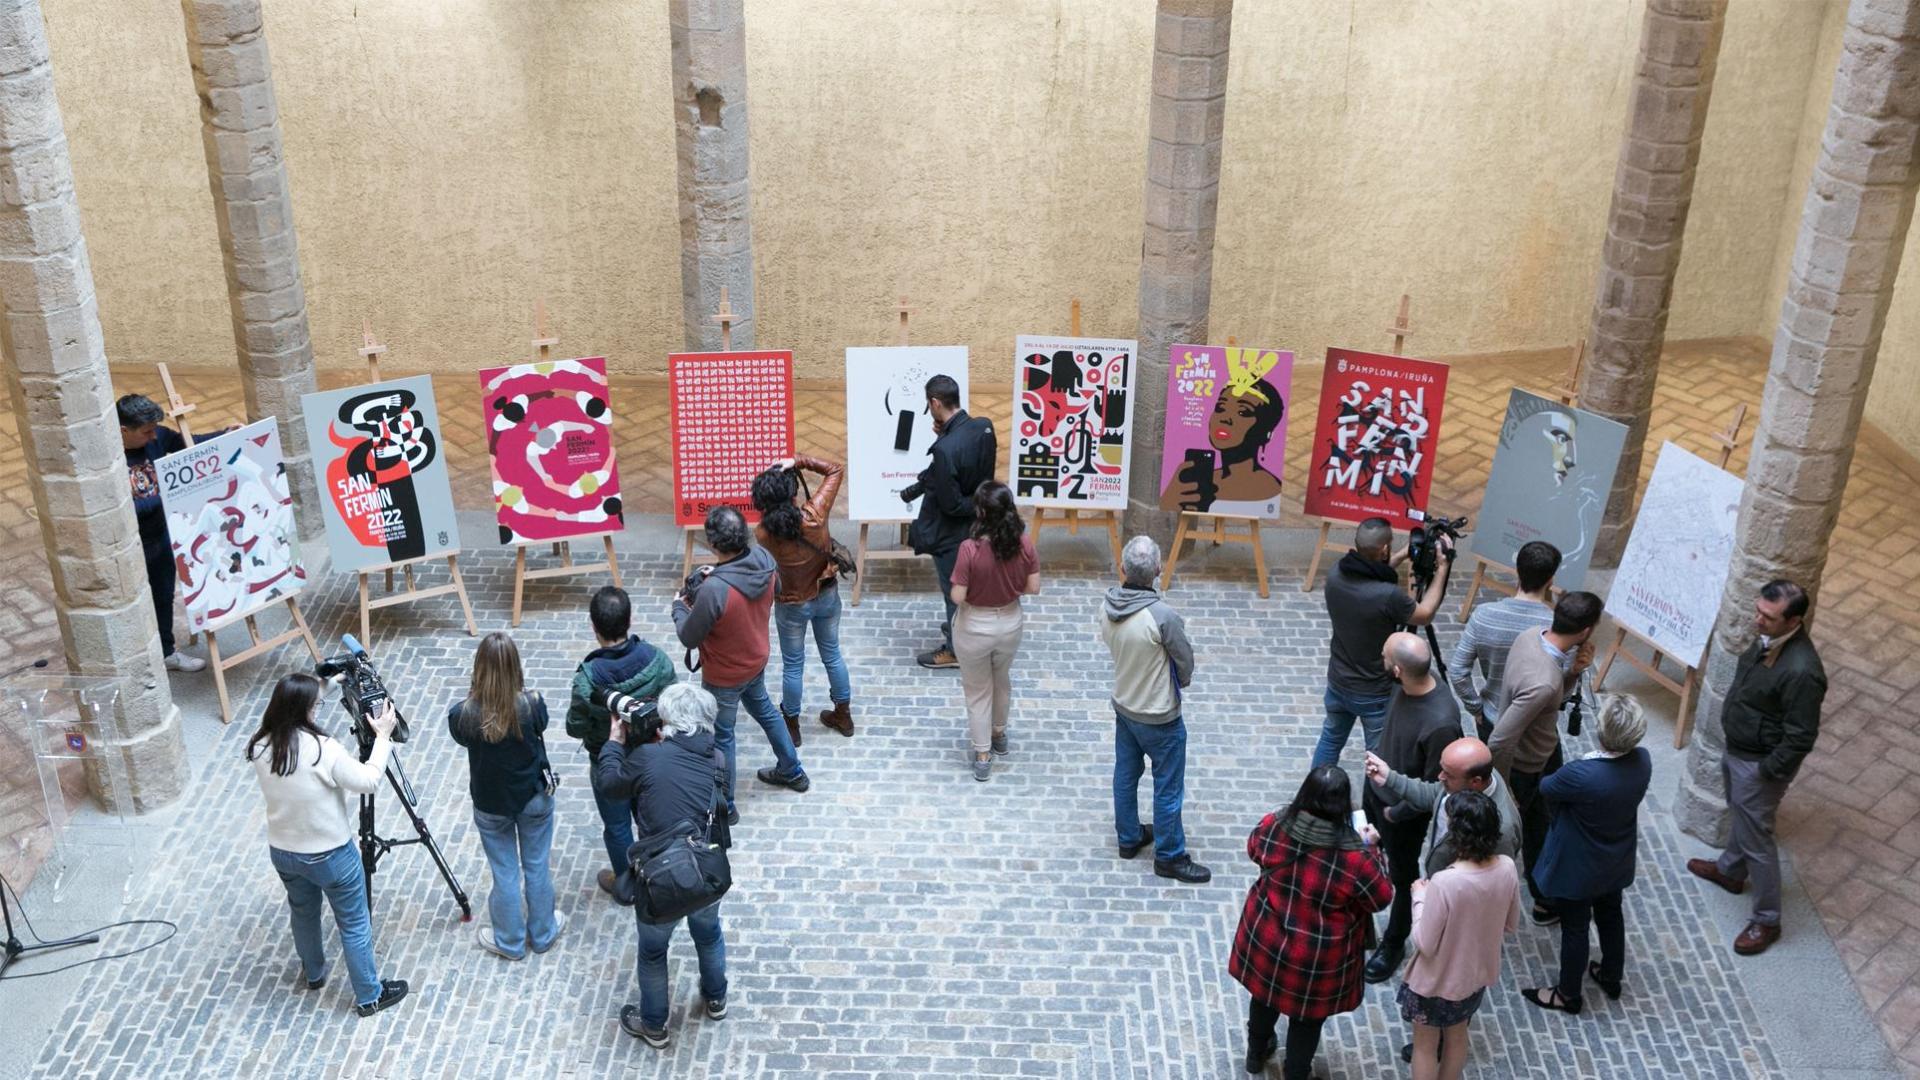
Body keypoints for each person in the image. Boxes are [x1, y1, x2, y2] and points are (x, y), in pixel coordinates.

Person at [246, 672, 408, 1017]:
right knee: (353, 923)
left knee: (303, 912)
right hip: (331, 855)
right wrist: (382, 736)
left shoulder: (260, 745)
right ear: (303, 710)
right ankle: (369, 995)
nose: (317, 710)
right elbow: (368, 780)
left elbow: (301, 701)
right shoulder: (323, 750)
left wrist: (328, 683)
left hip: (285, 851)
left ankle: (314, 972)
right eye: (315, 706)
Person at [1687, 579, 1826, 957]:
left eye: (1767, 616)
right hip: (1742, 750)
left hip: (1758, 764)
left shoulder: (1803, 671)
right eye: (1758, 611)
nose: (1757, 620)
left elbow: (1800, 736)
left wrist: (1766, 772)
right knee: (1743, 818)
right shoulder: (1769, 638)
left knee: (1758, 840)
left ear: (1793, 620)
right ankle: (1731, 871)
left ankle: (1767, 919)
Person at [1230, 766, 1393, 1079]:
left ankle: (1255, 1053)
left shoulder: (1275, 824)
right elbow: (1380, 898)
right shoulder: (1355, 856)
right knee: (1307, 1020)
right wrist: (1373, 846)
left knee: (1263, 998)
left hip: (1267, 936)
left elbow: (1254, 849)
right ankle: (1295, 1072)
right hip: (1318, 955)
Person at [593, 683, 732, 1050]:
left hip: (660, 878)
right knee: (709, 933)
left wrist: (614, 741)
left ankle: (654, 1025)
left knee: (654, 951)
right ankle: (716, 998)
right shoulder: (717, 758)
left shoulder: (649, 758)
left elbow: (609, 784)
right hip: (707, 871)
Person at [1522, 695, 1653, 1014]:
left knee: (1576, 926)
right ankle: (1611, 975)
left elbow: (1547, 787)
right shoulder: (1643, 761)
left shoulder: (1582, 774)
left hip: (1578, 865)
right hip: (1615, 859)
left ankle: (1568, 993)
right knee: (1611, 914)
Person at [675, 505, 808, 813]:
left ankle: (726, 805)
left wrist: (679, 607)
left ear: (713, 544)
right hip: (755, 660)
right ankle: (793, 771)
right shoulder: (764, 560)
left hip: (724, 675)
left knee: (723, 737)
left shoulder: (714, 590)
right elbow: (777, 587)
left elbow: (688, 637)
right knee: (767, 711)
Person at [1487, 589, 1602, 922]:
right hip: (1527, 766)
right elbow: (1500, 740)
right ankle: (1542, 898)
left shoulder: (1529, 637)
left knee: (1548, 821)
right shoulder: (1545, 681)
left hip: (1544, 751)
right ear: (1585, 631)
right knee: (1536, 828)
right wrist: (1504, 787)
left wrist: (1574, 672)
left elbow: (1544, 705)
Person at [448, 632, 563, 961]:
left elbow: (462, 737)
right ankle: (542, 933)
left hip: (491, 803)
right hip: (533, 797)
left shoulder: (463, 715)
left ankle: (510, 941)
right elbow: (541, 723)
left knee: (505, 871)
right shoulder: (532, 704)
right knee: (537, 866)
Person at [1101, 535, 1209, 884]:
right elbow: (1185, 659)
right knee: (1167, 786)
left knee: (1125, 774)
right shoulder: (1161, 616)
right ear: (1158, 570)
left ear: (1123, 569)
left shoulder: (1108, 607)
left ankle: (1129, 836)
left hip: (1125, 704)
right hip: (1159, 715)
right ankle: (1170, 855)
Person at [1361, 633, 1463, 984]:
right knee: (1367, 849)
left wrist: (1396, 813)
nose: (1380, 657)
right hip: (1377, 790)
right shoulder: (1401, 686)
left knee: (1403, 879)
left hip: (1401, 814)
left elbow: (1437, 788)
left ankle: (1394, 942)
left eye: (1384, 655)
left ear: (1398, 669)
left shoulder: (1442, 723)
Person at [1399, 790, 1522, 1080]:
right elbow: (1510, 923)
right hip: (1473, 977)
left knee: (1425, 1046)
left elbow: (1424, 942)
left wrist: (1419, 899)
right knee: (1457, 1037)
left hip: (1435, 980)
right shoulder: (1507, 868)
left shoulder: (1446, 881)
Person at [1312, 516, 1451, 769]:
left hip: (1337, 681)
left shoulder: (1335, 574)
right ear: (1384, 549)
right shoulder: (1388, 597)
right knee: (1377, 756)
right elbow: (1425, 613)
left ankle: (1314, 793)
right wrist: (1442, 569)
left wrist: (1400, 556)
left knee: (1330, 739)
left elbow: (1373, 571)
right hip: (1373, 692)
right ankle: (1375, 800)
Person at [567, 585, 677, 903]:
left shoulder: (588, 678)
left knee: (616, 826)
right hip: (651, 758)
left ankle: (627, 884)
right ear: (630, 620)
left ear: (593, 625)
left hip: (607, 760)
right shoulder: (658, 660)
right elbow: (672, 706)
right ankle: (658, 872)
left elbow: (575, 726)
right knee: (651, 819)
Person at [751, 456, 855, 745]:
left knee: (793, 665)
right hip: (827, 594)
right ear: (793, 493)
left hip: (791, 604)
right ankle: (843, 714)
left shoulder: (762, 534)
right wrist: (797, 461)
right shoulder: (815, 514)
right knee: (832, 654)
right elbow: (835, 468)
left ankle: (792, 726)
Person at [905, 373, 997, 669]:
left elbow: (953, 504)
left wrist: (943, 443)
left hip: (951, 534)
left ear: (934, 403)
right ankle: (968, 633)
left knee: (953, 592)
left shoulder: (945, 450)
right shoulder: (984, 427)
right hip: (977, 527)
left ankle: (956, 650)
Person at [950, 481, 1039, 782]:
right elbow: (1033, 587)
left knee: (977, 690)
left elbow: (958, 597)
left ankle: (983, 752)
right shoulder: (1024, 543)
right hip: (1010, 621)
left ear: (981, 512)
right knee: (1001, 679)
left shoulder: (969, 549)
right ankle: (999, 732)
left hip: (975, 624)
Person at [119, 393, 212, 672]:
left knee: (162, 595)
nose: (152, 438)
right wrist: (171, 495)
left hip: (160, 536)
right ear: (124, 431)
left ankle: (166, 650)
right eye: (146, 433)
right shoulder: (109, 460)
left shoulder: (156, 435)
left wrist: (226, 436)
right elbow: (125, 508)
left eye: (154, 431)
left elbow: (187, 441)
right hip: (132, 541)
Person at [1447, 540, 1561, 741]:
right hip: (1535, 722)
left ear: (1517, 572)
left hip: (1492, 716)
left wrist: (1475, 707)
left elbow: (1457, 671)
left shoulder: (1484, 615)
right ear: (1551, 580)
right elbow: (1562, 687)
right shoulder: (1556, 626)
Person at [1164, 377, 1287, 514]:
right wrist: (1169, 500)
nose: (1225, 418)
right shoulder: (1200, 482)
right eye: (1220, 408)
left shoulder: (1268, 489)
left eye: (1243, 412)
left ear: (1266, 431)